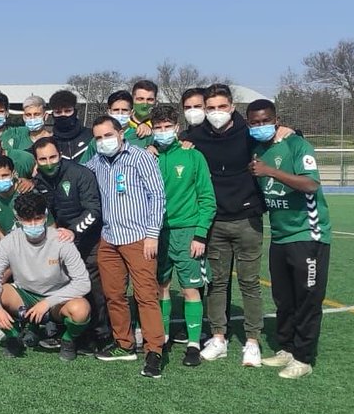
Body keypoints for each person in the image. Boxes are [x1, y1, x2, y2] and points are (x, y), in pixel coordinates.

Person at [246, 99, 331, 379]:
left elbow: (310, 184)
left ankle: (303, 358)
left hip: (307, 233)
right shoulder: (258, 149)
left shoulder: (297, 146)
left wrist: (271, 172)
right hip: (280, 235)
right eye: (254, 123)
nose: (260, 127)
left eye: (265, 121)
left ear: (276, 119)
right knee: (283, 297)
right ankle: (286, 347)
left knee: (307, 297)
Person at [186, 83, 267, 367]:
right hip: (214, 222)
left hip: (247, 221)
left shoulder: (249, 134)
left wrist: (291, 131)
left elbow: (278, 136)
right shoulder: (194, 137)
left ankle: (252, 341)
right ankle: (219, 338)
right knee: (216, 284)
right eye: (211, 108)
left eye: (222, 107)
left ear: (232, 107)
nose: (217, 113)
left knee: (250, 283)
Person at [86, 115, 168, 377]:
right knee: (114, 295)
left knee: (146, 296)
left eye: (107, 135)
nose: (103, 141)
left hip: (139, 238)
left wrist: (152, 234)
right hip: (109, 238)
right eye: (98, 138)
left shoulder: (140, 157)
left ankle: (154, 350)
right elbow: (76, 174)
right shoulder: (97, 162)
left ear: (120, 133)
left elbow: (157, 195)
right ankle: (124, 344)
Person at [0, 190, 91, 361]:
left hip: (56, 299)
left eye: (38, 218)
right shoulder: (10, 241)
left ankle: (68, 340)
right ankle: (13, 336)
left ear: (46, 215)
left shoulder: (61, 240)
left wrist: (47, 302)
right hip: (24, 295)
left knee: (81, 310)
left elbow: (83, 283)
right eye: (27, 220)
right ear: (18, 218)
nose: (33, 224)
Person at [150, 105, 216, 368]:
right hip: (156, 233)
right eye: (158, 128)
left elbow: (207, 199)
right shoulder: (148, 156)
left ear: (176, 128)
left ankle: (192, 344)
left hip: (187, 231)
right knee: (161, 287)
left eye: (168, 127)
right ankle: (163, 336)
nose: (163, 132)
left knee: (190, 288)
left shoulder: (193, 156)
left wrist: (200, 234)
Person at [30, 136, 107, 349]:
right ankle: (62, 331)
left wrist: (73, 232)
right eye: (43, 159)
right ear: (36, 161)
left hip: (88, 241)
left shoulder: (80, 174)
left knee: (93, 288)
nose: (49, 163)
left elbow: (94, 210)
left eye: (53, 157)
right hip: (60, 244)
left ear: (60, 155)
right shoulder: (39, 181)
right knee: (60, 284)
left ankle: (99, 336)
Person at [48, 89, 95, 162]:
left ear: (75, 112)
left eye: (67, 111)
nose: (63, 115)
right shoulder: (49, 143)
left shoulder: (92, 136)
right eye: (58, 112)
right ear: (52, 114)